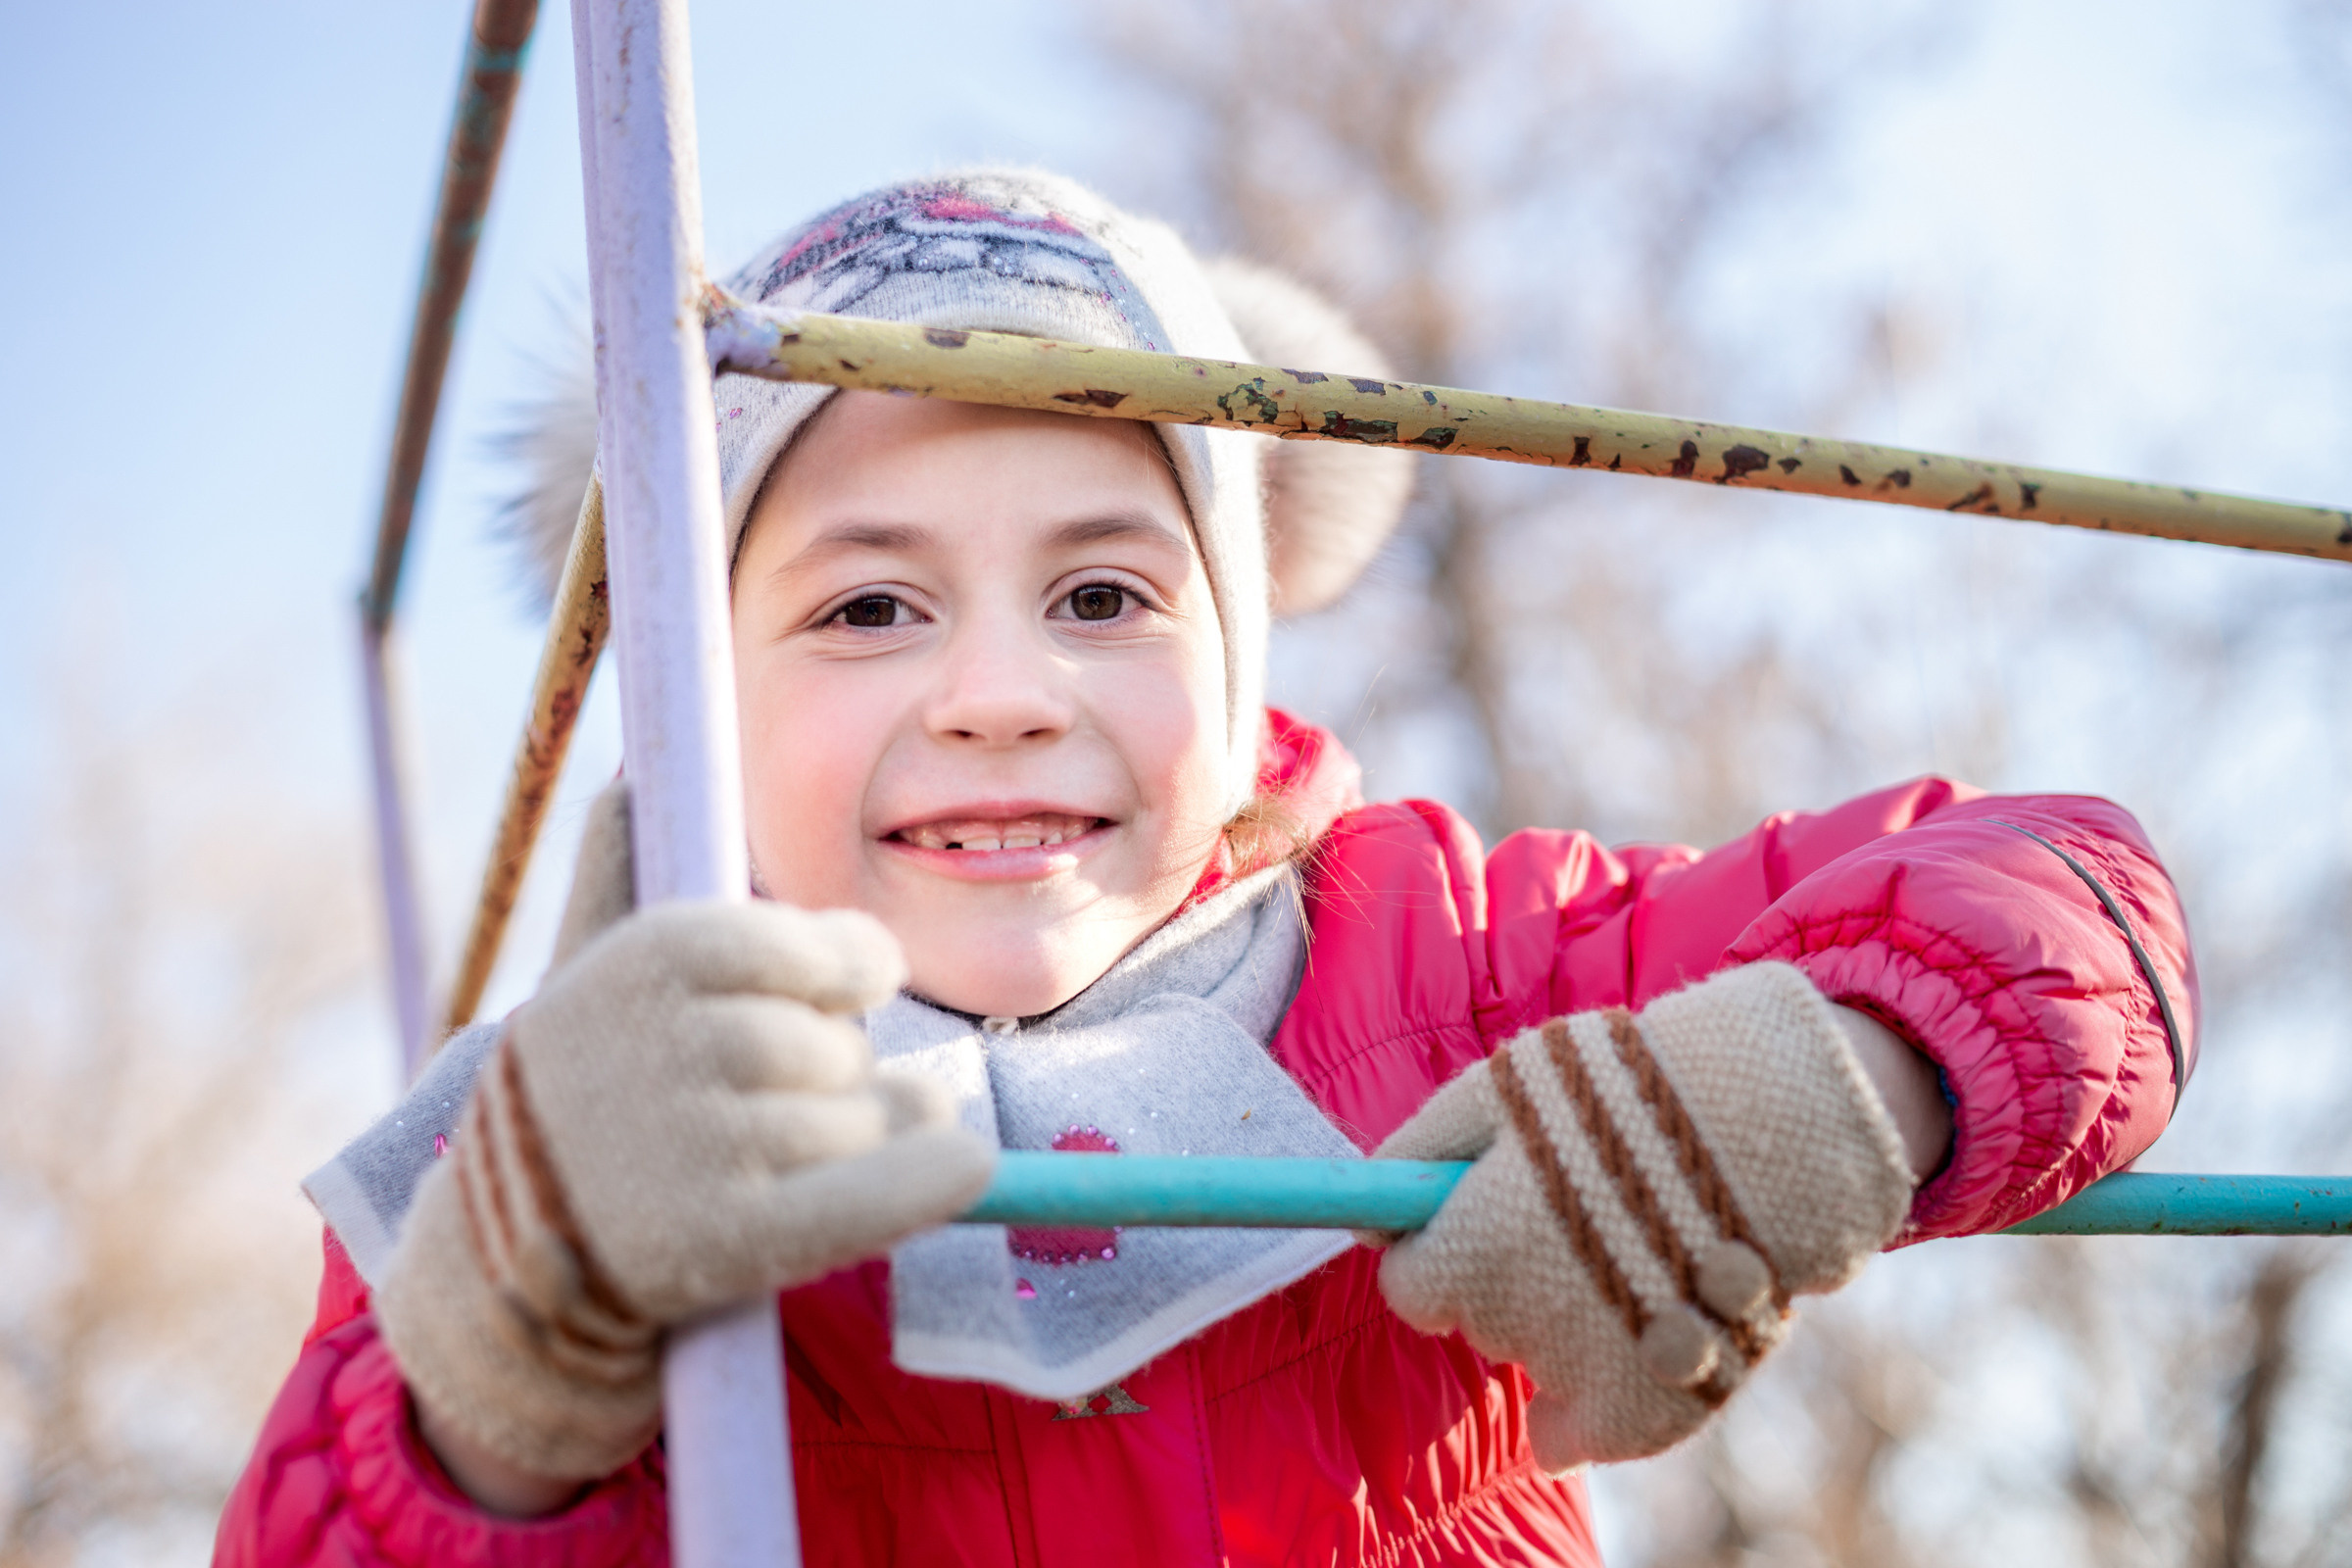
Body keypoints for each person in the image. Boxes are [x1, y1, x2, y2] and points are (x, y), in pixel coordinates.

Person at [215, 171, 2194, 1567]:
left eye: (1101, 589)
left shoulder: (1459, 949)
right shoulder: (544, 1143)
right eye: (869, 606)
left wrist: (1852, 1067)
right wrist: (500, 1377)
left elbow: (2073, 889)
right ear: (695, 699)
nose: (1000, 691)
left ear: (1240, 655)